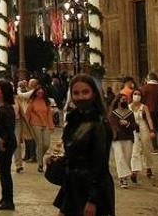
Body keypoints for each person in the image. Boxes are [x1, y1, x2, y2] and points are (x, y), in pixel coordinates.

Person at [53, 74, 114, 216]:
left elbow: (100, 165)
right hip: (73, 187)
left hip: (92, 190)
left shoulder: (99, 124)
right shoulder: (74, 120)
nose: (80, 97)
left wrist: (93, 200)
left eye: (85, 92)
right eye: (76, 93)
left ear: (94, 94)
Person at [0, 80, 18, 211]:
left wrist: (2, 140)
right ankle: (4, 198)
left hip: (6, 144)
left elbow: (9, 128)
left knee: (5, 172)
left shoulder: (8, 109)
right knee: (1, 172)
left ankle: (9, 201)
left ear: (4, 92)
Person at [106, 93, 136, 190]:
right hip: (117, 139)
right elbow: (111, 127)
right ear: (118, 101)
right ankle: (123, 178)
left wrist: (127, 124)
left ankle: (125, 176)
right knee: (120, 158)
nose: (124, 101)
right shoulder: (113, 114)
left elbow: (134, 126)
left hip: (128, 138)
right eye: (123, 99)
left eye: (126, 99)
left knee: (127, 158)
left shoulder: (130, 113)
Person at [26, 85, 55, 172]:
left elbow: (49, 115)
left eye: (42, 93)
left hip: (45, 124)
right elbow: (27, 114)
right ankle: (40, 164)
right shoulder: (32, 102)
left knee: (46, 144)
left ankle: (39, 157)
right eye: (38, 92)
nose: (40, 94)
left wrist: (51, 126)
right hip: (35, 124)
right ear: (35, 93)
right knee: (40, 144)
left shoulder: (46, 102)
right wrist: (26, 127)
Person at [127, 91, 154, 181]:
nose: (137, 96)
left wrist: (151, 130)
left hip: (143, 128)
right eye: (135, 94)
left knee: (146, 149)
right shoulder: (128, 107)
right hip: (133, 129)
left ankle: (148, 167)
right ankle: (135, 171)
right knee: (135, 150)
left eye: (138, 94)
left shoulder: (144, 107)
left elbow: (149, 118)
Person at [139, 73, 158, 154]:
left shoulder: (144, 88)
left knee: (152, 129)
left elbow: (142, 100)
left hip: (148, 111)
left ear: (148, 78)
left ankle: (155, 148)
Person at [14, 80, 33, 170]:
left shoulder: (17, 98)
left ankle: (18, 164)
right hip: (7, 124)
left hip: (17, 122)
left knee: (17, 143)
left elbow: (21, 111)